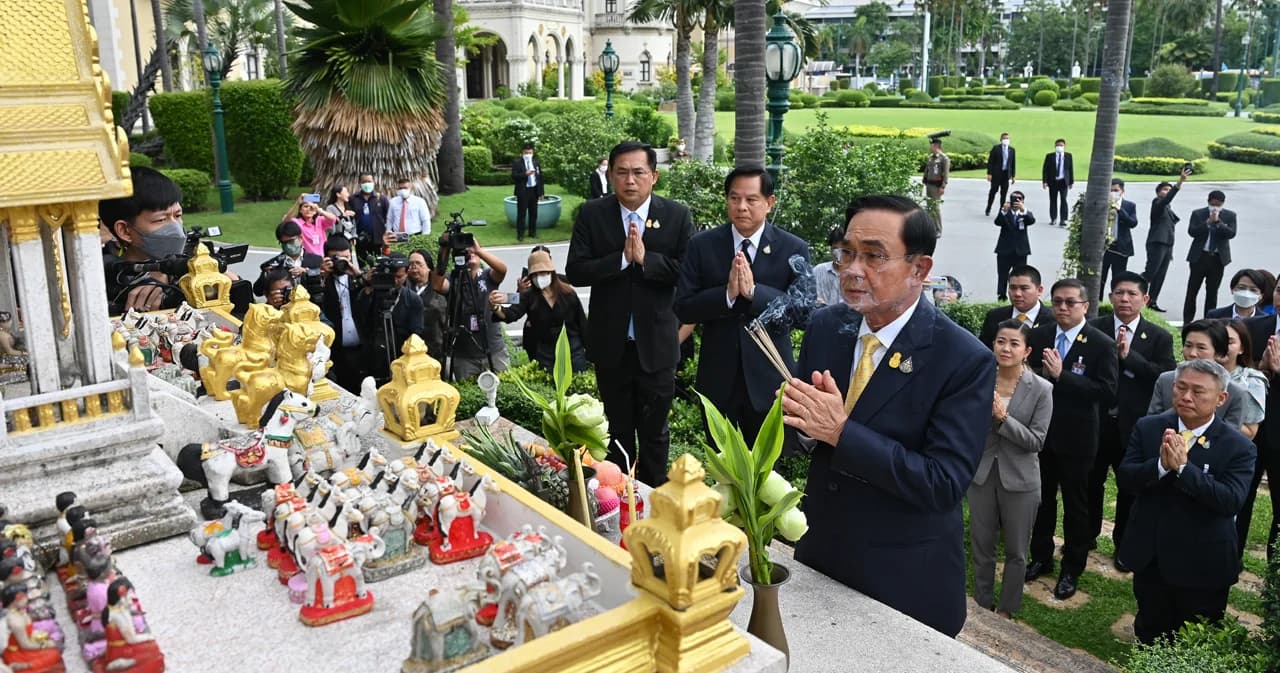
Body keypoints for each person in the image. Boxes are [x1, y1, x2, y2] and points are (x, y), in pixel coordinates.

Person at [779, 195, 995, 637]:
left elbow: (942, 483)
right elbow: (810, 436)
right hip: (823, 555)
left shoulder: (962, 359)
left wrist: (841, 431)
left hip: (903, 578)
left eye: (874, 256)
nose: (853, 270)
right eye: (846, 254)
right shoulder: (826, 327)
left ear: (920, 269)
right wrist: (795, 419)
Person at [566, 140, 694, 487]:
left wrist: (645, 260)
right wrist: (621, 260)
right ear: (609, 175)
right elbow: (575, 270)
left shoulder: (677, 216)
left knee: (654, 434)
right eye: (621, 172)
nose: (630, 180)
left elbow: (688, 273)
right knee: (616, 432)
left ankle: (654, 499)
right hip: (611, 346)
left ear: (654, 176)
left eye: (638, 172)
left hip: (657, 346)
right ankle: (619, 500)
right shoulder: (594, 214)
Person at [1117, 359, 1255, 645]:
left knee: (1194, 641)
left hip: (1203, 564)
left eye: (1198, 391)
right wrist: (1161, 466)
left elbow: (1230, 501)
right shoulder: (1149, 427)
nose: (1186, 397)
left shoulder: (1238, 446)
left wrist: (1183, 469)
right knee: (1150, 631)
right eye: (1181, 388)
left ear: (1221, 398)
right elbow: (1126, 478)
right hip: (1152, 557)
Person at [674, 167, 813, 445]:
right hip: (718, 377)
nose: (741, 207)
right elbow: (684, 307)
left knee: (766, 475)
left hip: (770, 380)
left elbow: (804, 311)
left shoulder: (792, 248)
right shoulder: (703, 245)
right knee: (723, 469)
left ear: (769, 202)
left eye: (751, 200)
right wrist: (726, 295)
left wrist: (755, 293)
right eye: (734, 199)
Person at [1025, 278, 1117, 601]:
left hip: (1078, 438)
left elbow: (1106, 391)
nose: (1062, 308)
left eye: (1070, 303)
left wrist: (1063, 376)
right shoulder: (1038, 335)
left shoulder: (1101, 343)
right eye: (1058, 302)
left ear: (1085, 306)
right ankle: (1041, 555)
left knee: (1076, 506)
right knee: (1042, 499)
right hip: (1041, 433)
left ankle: (1072, 568)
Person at [1086, 272, 1176, 569]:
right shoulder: (1094, 328)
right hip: (1097, 422)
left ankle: (1123, 544)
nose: (1124, 299)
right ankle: (1086, 537)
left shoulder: (1159, 336)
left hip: (1133, 427)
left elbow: (1165, 376)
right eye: (1119, 293)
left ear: (1145, 299)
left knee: (1130, 489)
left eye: (1132, 294)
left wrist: (1130, 357)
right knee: (1090, 483)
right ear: (1110, 296)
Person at [968, 319, 1053, 619]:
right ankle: (982, 603)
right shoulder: (978, 379)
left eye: (1014, 343)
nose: (1006, 348)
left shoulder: (1042, 389)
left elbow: (1036, 441)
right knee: (982, 546)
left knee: (1017, 551)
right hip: (980, 474)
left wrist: (1003, 419)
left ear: (1026, 351)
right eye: (1001, 341)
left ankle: (1007, 609)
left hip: (1020, 480)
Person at [100, 166, 189, 314]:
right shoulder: (109, 287)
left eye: (178, 216)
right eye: (161, 219)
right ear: (125, 231)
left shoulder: (191, 267)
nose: (176, 228)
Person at [1148, 319, 1257, 436]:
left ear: (1219, 353)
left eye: (1201, 348)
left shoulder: (1236, 393)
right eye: (1188, 345)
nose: (1192, 353)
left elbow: (1229, 437)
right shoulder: (1166, 380)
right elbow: (1150, 424)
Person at [491, 249, 588, 372]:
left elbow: (582, 324)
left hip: (572, 351)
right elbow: (511, 313)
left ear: (551, 272)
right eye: (535, 274)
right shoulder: (529, 296)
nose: (539, 277)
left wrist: (590, 351)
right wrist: (496, 307)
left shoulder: (568, 293)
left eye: (543, 273)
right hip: (545, 353)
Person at [428, 235, 510, 380]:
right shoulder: (453, 279)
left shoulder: (487, 277)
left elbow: (502, 269)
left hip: (493, 350)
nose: (470, 253)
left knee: (501, 391)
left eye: (472, 251)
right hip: (464, 355)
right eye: (466, 252)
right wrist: (445, 249)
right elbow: (437, 285)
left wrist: (479, 251)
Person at [1221, 319, 1269, 557]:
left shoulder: (1251, 381)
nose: (1222, 346)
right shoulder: (1190, 374)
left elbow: (1249, 432)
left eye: (1229, 341)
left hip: (1226, 461)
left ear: (1242, 348)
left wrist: (1206, 422)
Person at [356, 252, 425, 384]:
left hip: (400, 361)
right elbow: (360, 317)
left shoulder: (413, 299)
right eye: (391, 276)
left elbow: (416, 334)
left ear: (406, 274)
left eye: (399, 277)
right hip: (372, 361)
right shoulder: (371, 293)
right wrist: (368, 286)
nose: (395, 280)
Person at [1247, 303, 1280, 561]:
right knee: (1239, 501)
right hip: (1249, 430)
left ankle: (1274, 577)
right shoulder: (1255, 328)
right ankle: (1229, 562)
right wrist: (1261, 367)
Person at [319, 235, 367, 392]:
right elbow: (316, 304)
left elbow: (372, 295)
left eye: (346, 257)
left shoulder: (358, 279)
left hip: (361, 349)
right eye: (337, 258)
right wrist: (323, 277)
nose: (342, 262)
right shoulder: (321, 280)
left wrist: (356, 272)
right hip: (335, 351)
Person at [1183, 190, 1237, 324]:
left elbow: (1231, 233)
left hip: (1217, 259)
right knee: (1192, 291)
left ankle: (1209, 322)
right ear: (1208, 202)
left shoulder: (1230, 215)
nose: (1215, 208)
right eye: (1213, 204)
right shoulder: (1198, 213)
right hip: (1199, 257)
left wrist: (1218, 222)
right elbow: (1192, 232)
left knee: (1212, 293)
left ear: (1223, 204)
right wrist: (1207, 222)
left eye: (1218, 205)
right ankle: (1187, 321)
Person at [1142, 168, 1190, 313]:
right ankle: (1134, 289)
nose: (1167, 191)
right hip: (1157, 243)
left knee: (1160, 275)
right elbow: (1167, 199)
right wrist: (1180, 182)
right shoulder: (1158, 203)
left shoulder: (1168, 208)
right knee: (1150, 272)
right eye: (1164, 189)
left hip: (1167, 244)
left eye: (1168, 189)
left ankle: (1152, 301)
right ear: (1158, 192)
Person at [979, 265, 1052, 347]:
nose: (1017, 294)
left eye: (1024, 288)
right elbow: (984, 352)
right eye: (1013, 288)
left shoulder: (1053, 320)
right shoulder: (994, 317)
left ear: (1039, 290)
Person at [254, 220, 323, 299]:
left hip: (311, 307)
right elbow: (258, 291)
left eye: (291, 241)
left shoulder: (316, 260)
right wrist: (266, 276)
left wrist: (307, 272)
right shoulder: (274, 264)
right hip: (283, 307)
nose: (288, 246)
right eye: (284, 243)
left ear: (300, 238)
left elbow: (324, 284)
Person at [1098, 179, 1139, 300]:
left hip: (1121, 247)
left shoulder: (1129, 205)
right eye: (1110, 190)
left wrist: (1120, 209)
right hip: (1105, 246)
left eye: (1116, 190)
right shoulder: (1102, 203)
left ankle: (1115, 302)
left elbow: (1133, 223)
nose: (1113, 193)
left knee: (1118, 278)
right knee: (1100, 278)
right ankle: (1098, 302)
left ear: (1122, 191)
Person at [405, 249, 448, 360]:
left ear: (429, 267)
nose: (414, 267)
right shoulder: (405, 287)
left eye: (418, 263)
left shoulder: (439, 287)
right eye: (411, 264)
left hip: (437, 347)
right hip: (411, 348)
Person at [993, 190, 1035, 301]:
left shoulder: (1024, 213)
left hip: (1020, 251)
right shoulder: (1006, 212)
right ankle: (1001, 295)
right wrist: (1003, 211)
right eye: (1014, 199)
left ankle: (1019, 294)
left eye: (1018, 200)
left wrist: (1023, 210)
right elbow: (997, 222)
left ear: (1022, 201)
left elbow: (1031, 220)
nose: (1015, 202)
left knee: (1020, 275)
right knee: (1002, 274)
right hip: (1004, 250)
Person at [281, 193, 337, 257]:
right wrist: (297, 203)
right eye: (305, 206)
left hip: (321, 257)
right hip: (306, 258)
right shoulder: (297, 222)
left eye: (311, 208)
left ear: (315, 211)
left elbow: (333, 219)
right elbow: (286, 220)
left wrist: (319, 210)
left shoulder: (319, 220)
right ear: (300, 210)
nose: (308, 209)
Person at [349, 173, 390, 258]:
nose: (367, 184)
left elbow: (389, 217)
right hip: (360, 238)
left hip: (378, 239)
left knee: (378, 264)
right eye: (364, 181)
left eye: (369, 181)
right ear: (360, 183)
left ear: (373, 182)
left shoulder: (381, 199)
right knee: (362, 264)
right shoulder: (353, 199)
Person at [1207, 268, 1273, 320]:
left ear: (1261, 295)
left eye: (1253, 290)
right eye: (1241, 288)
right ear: (1232, 289)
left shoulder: (1267, 320)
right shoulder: (1215, 316)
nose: (1246, 293)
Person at [511, 142, 544, 241]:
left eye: (530, 152)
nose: (528, 154)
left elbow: (540, 178)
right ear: (523, 152)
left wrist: (541, 192)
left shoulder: (536, 163)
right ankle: (520, 234)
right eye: (526, 152)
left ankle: (532, 232)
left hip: (533, 190)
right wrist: (525, 174)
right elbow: (514, 176)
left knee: (533, 213)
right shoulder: (517, 163)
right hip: (523, 191)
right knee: (522, 214)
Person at [1040, 139, 1074, 227]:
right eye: (1058, 145)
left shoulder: (1068, 156)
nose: (1059, 147)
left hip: (1063, 181)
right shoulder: (1050, 156)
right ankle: (1053, 218)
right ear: (1055, 146)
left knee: (1063, 199)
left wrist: (1071, 182)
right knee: (1053, 200)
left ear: (1065, 146)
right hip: (1053, 181)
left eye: (1061, 145)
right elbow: (1045, 170)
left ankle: (1063, 219)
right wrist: (1045, 181)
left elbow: (1070, 169)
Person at [813, 226, 847, 307]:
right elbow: (808, 295)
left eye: (842, 249)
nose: (838, 253)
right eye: (835, 248)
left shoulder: (855, 275)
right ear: (831, 249)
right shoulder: (818, 270)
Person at [985, 132, 1016, 217]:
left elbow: (1013, 163)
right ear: (1001, 140)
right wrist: (989, 173)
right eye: (1004, 138)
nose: (1006, 140)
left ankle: (1001, 210)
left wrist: (1013, 176)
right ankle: (988, 207)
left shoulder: (1012, 150)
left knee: (1004, 193)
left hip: (1006, 175)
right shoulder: (996, 149)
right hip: (996, 174)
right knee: (993, 191)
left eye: (1007, 138)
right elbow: (990, 162)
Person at [923, 138, 950, 234]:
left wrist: (943, 186)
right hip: (929, 185)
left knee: (936, 208)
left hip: (936, 186)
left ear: (936, 146)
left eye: (932, 145)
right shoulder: (931, 157)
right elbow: (927, 170)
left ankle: (938, 229)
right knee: (929, 207)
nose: (930, 147)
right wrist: (924, 179)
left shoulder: (944, 158)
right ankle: (931, 228)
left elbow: (945, 174)